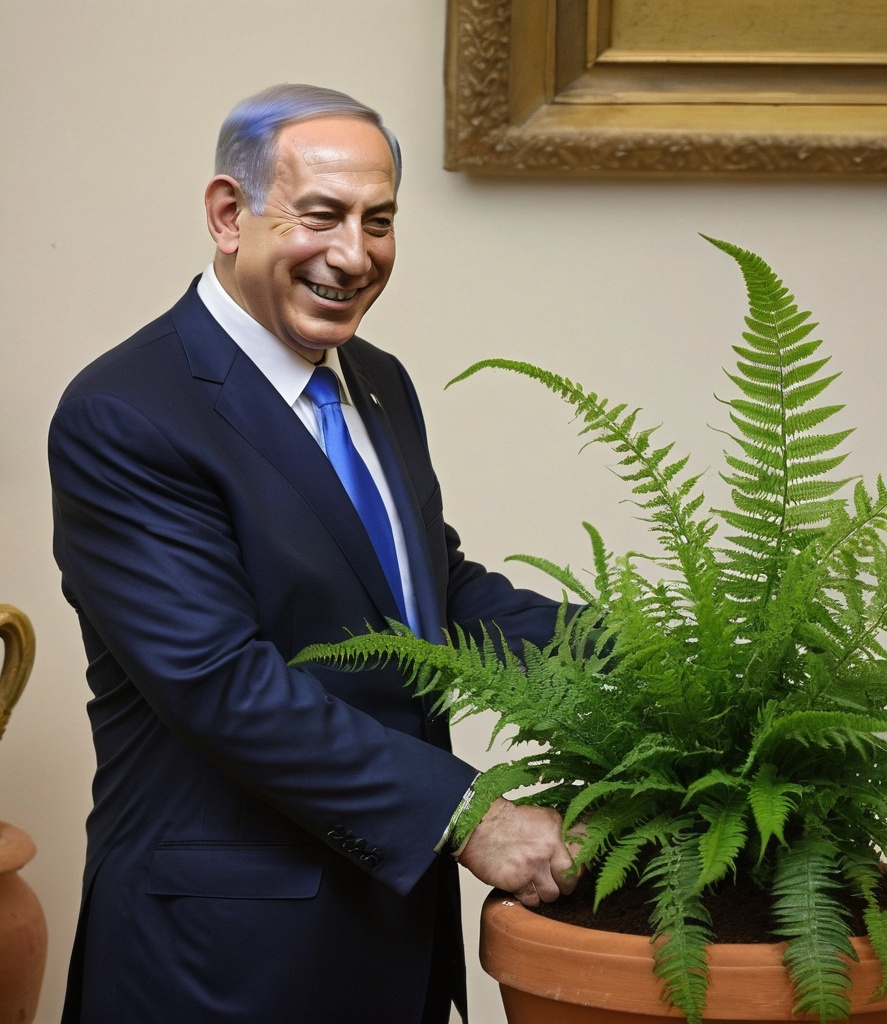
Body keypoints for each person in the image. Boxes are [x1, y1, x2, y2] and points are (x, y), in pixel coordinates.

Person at [48, 84, 579, 1024]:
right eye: (322, 215)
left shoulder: (377, 382)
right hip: (221, 963)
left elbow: (433, 595)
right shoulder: (125, 414)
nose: (354, 254)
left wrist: (652, 655)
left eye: (380, 221)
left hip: (392, 938)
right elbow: (221, 682)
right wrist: (468, 816)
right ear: (229, 214)